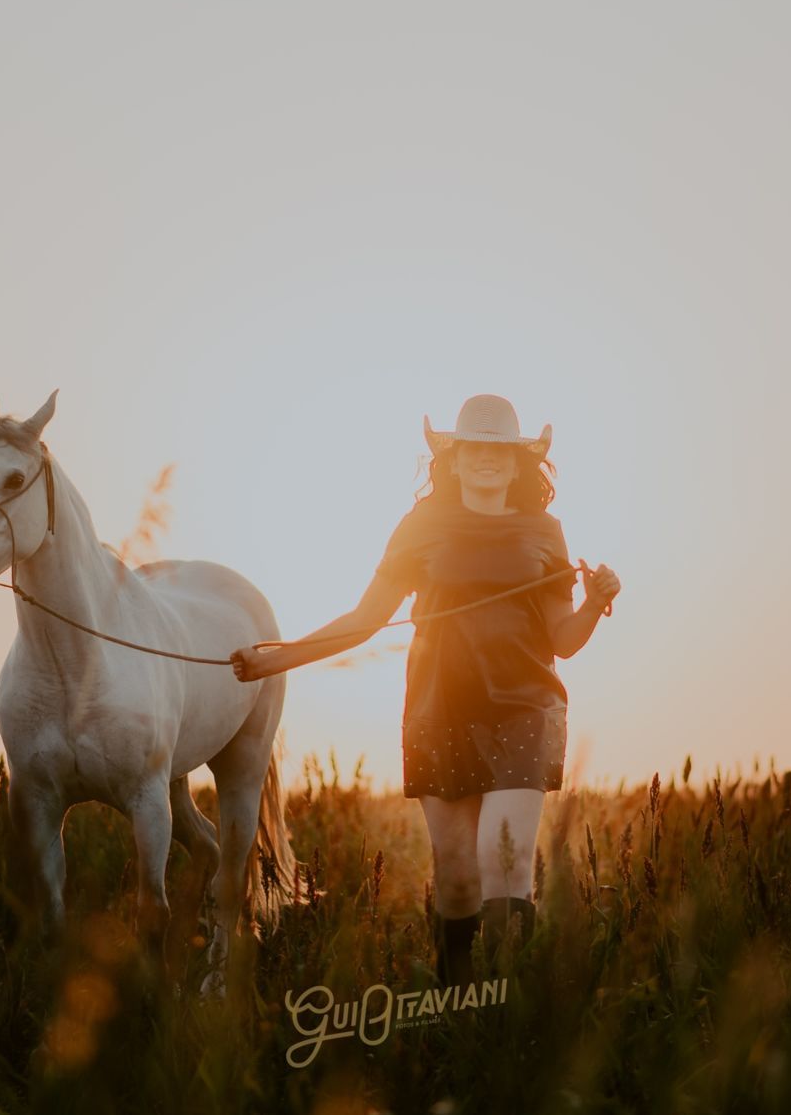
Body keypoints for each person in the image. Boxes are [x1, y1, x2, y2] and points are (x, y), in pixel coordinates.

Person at [231, 393, 620, 987]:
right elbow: (364, 621)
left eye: (500, 450)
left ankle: (510, 1007)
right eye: (474, 449)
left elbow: (562, 640)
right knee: (459, 871)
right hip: (439, 710)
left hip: (525, 709)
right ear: (454, 459)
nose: (487, 459)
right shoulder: (420, 528)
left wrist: (594, 603)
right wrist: (277, 660)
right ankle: (457, 1004)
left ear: (519, 462)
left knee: (504, 857)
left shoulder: (545, 531)